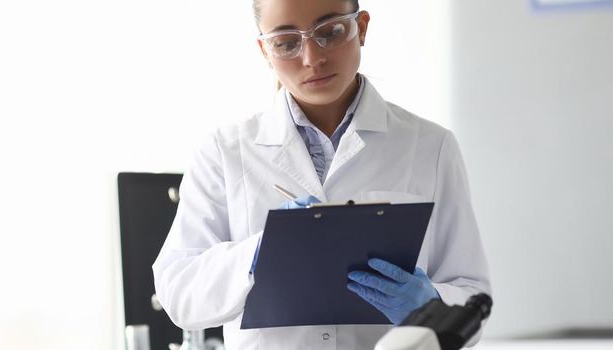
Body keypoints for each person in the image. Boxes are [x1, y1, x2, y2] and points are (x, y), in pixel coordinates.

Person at [151, 0, 492, 348]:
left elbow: (473, 296)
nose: (312, 58)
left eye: (330, 32)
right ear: (264, 51)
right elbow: (178, 291)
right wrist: (258, 252)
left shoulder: (430, 147)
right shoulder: (224, 150)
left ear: (361, 27)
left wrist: (431, 304)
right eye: (286, 43)